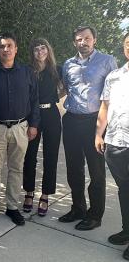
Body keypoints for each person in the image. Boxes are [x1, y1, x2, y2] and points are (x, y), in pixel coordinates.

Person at [59, 25, 117, 231]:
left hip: (95, 122)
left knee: (96, 171)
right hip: (72, 120)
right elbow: (66, 88)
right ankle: (78, 208)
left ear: (94, 39)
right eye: (79, 39)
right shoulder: (68, 64)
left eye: (87, 38)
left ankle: (95, 215)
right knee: (74, 169)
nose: (83, 42)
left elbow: (114, 94)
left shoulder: (108, 61)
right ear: (74, 42)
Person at [0, 32, 40, 226]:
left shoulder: (27, 72)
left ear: (16, 48)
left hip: (20, 128)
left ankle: (13, 207)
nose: (6, 49)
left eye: (9, 46)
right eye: (2, 46)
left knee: (16, 169)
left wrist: (33, 125)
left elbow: (34, 100)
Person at [95, 32, 129, 260]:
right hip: (115, 142)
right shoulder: (114, 76)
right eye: (128, 43)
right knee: (124, 190)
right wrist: (99, 134)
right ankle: (127, 230)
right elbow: (105, 107)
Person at [22, 38, 63, 217]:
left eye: (43, 48)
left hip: (52, 115)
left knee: (50, 156)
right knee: (30, 156)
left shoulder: (57, 70)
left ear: (48, 50)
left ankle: (45, 195)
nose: (40, 52)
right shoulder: (28, 71)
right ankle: (29, 193)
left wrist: (55, 97)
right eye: (36, 49)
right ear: (33, 53)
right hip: (33, 116)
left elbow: (65, 88)